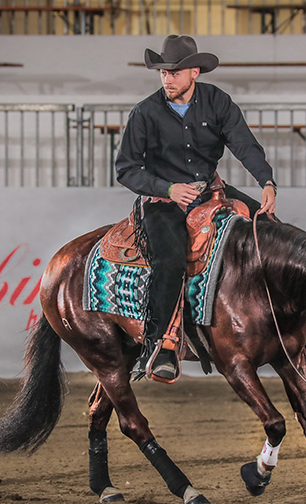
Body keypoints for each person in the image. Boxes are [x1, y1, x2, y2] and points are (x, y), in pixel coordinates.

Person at [115, 34, 277, 382]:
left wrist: (266, 181)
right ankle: (160, 344)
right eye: (163, 72)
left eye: (174, 72)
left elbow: (245, 145)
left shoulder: (218, 102)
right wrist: (169, 189)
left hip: (209, 192)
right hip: (162, 201)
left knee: (269, 230)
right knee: (170, 260)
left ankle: (282, 322)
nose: (166, 78)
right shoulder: (145, 112)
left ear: (195, 72)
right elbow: (126, 169)